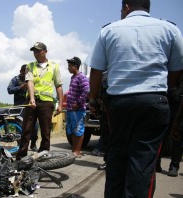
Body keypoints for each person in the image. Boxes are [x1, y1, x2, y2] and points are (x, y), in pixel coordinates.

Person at [87, 0, 183, 197]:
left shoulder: (109, 30)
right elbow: (176, 69)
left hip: (119, 104)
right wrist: (165, 89)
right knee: (143, 162)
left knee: (116, 157)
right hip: (154, 103)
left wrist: (93, 99)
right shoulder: (170, 30)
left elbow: (96, 70)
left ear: (126, 7)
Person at [16, 42, 63, 160]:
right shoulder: (30, 66)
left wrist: (60, 104)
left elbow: (58, 86)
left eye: (38, 51)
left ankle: (43, 156)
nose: (35, 53)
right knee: (26, 129)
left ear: (45, 51)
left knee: (46, 131)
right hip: (32, 101)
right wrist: (31, 99)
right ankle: (21, 157)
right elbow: (30, 82)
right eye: (34, 51)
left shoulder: (54, 66)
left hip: (46, 102)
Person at [7, 64, 39, 151]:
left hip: (30, 106)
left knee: (35, 127)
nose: (26, 75)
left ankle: (33, 144)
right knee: (19, 127)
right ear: (21, 71)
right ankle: (20, 145)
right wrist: (20, 87)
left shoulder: (32, 79)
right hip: (19, 108)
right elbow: (9, 90)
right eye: (25, 73)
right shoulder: (15, 79)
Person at [65, 57, 89, 158]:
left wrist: (78, 103)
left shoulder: (81, 77)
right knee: (73, 130)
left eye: (70, 66)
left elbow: (86, 90)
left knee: (79, 130)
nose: (68, 68)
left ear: (75, 66)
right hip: (71, 109)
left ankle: (77, 151)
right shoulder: (73, 77)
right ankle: (74, 150)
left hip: (77, 110)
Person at [166, 75, 183, 177]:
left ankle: (174, 165)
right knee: (162, 132)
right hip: (168, 96)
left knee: (178, 133)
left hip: (179, 100)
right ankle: (156, 162)